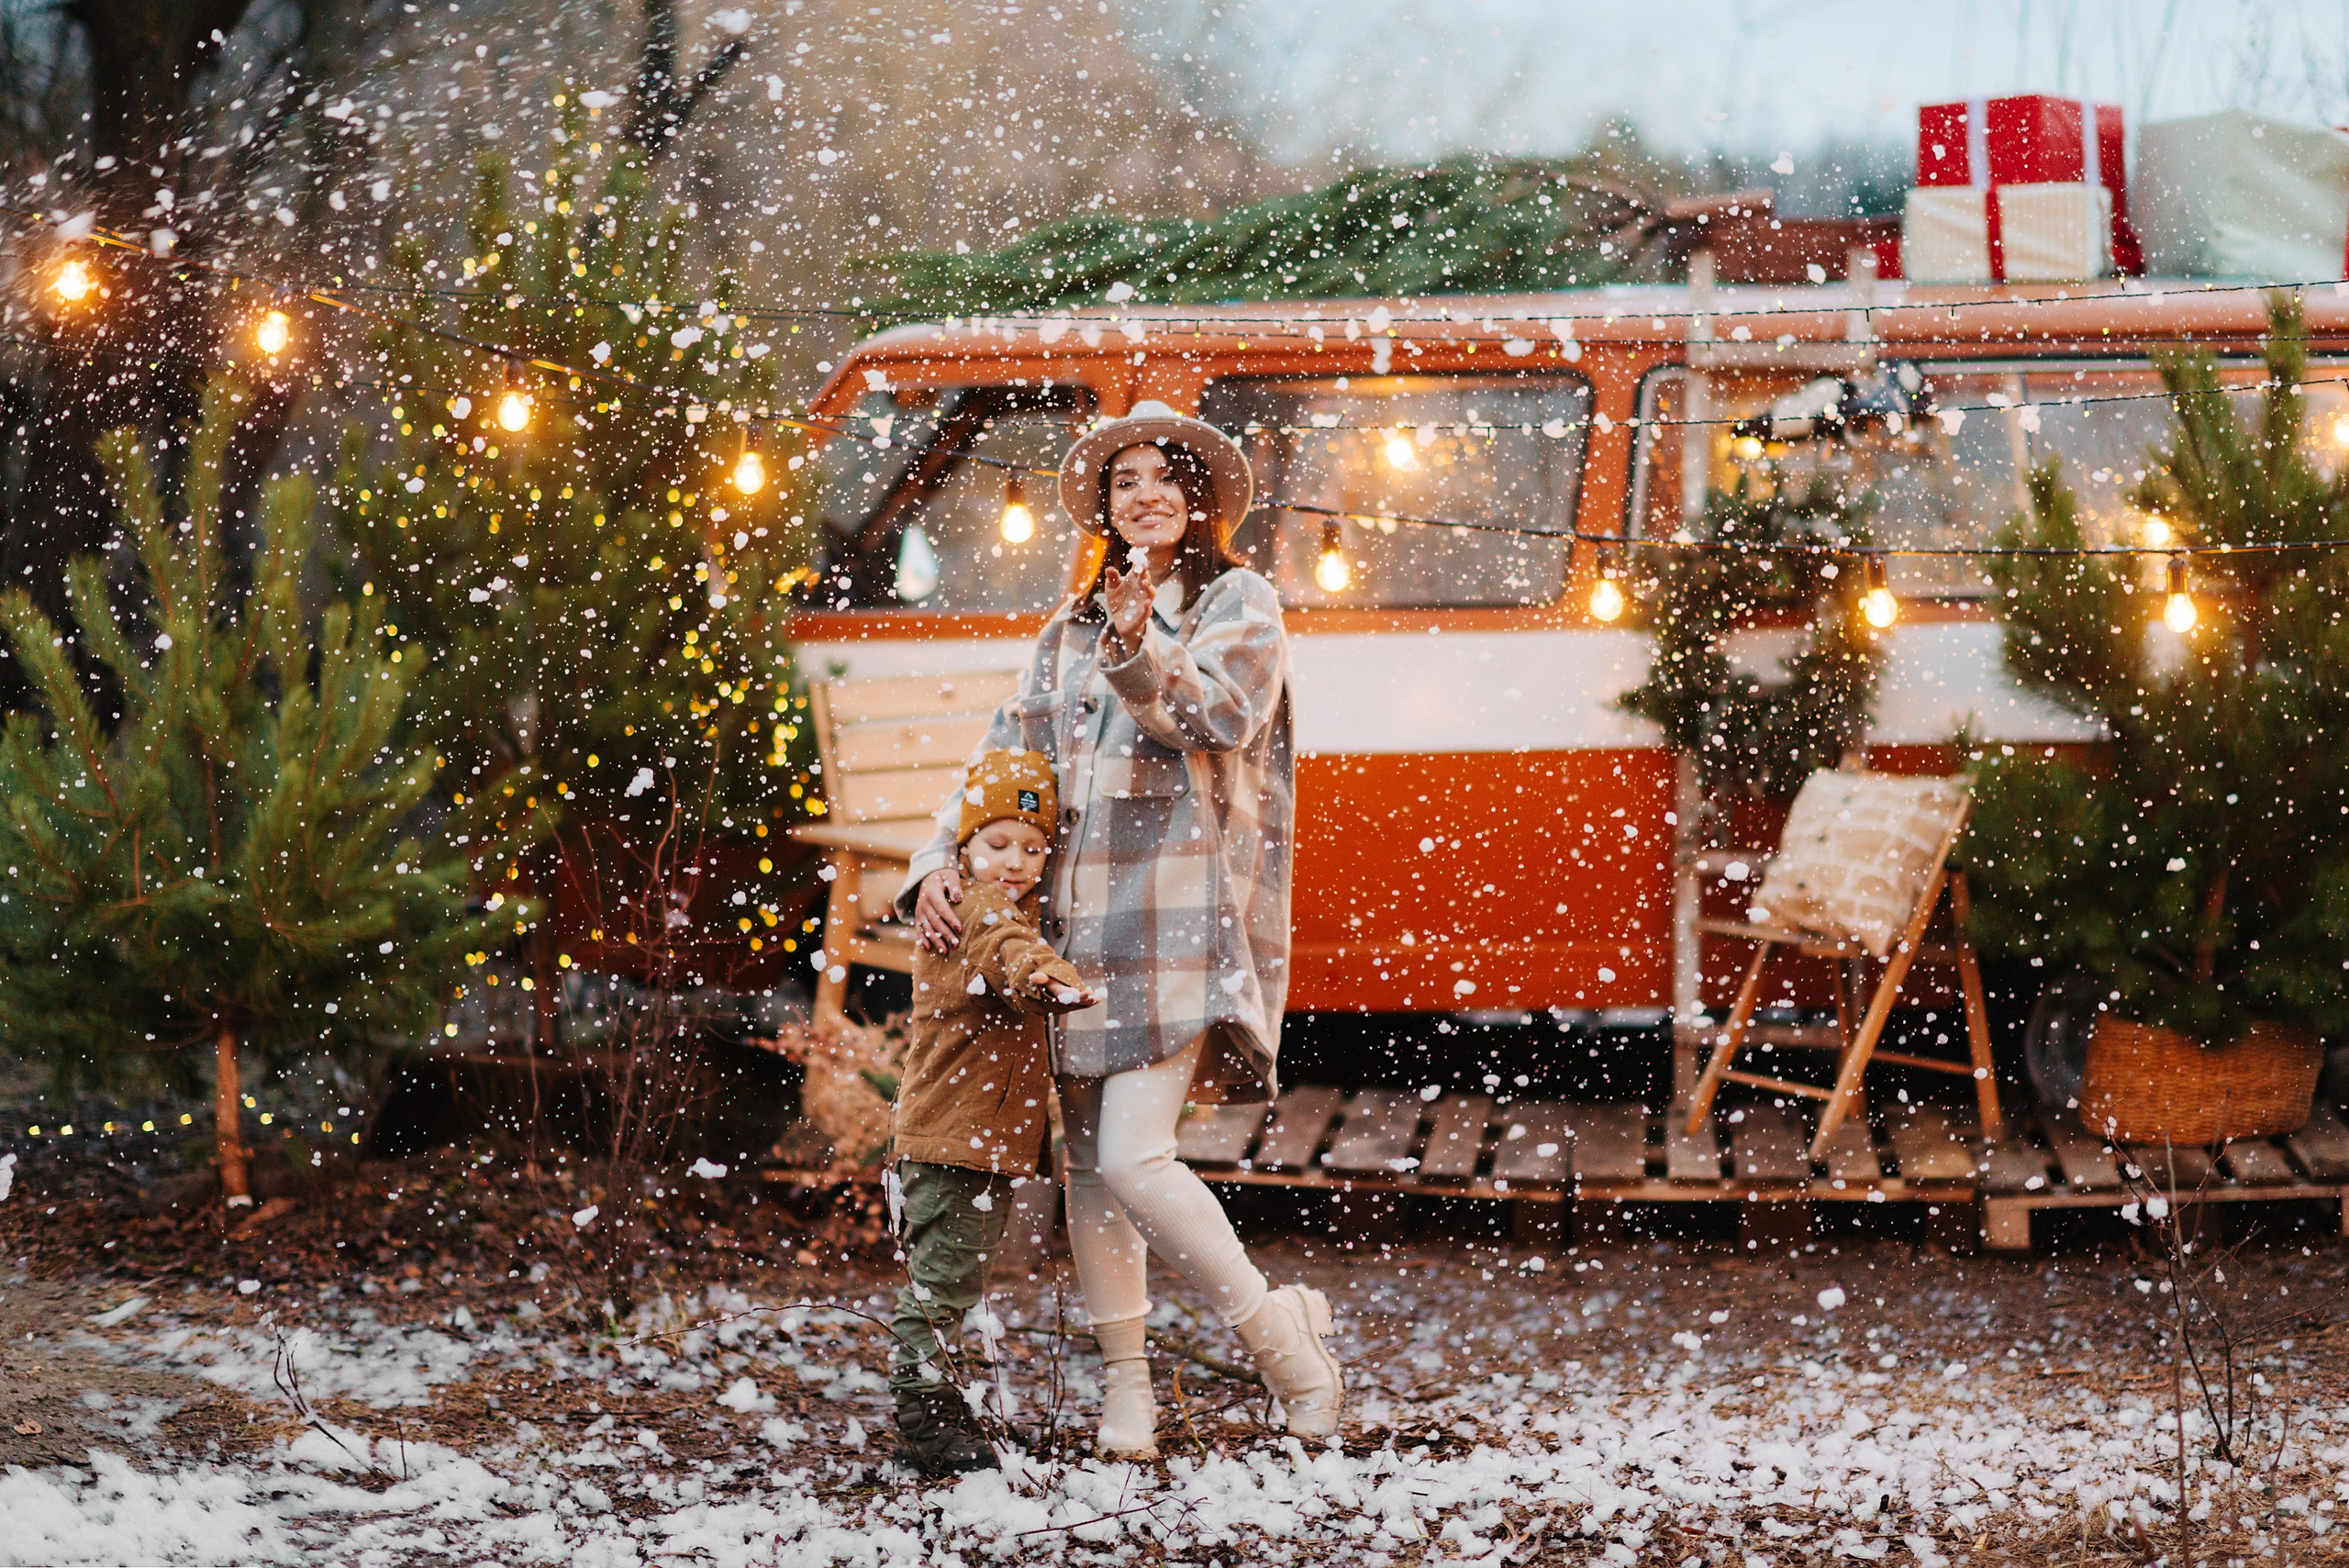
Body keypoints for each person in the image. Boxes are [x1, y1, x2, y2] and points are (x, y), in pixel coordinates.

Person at [900, 401, 1344, 1462]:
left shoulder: (1242, 602)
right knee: (1092, 1171)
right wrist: (932, 861)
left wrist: (1142, 644)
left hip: (1180, 921)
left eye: (1162, 476)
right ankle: (1127, 1394)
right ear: (1105, 507)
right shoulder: (1065, 632)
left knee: (1139, 1158)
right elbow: (997, 767)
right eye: (1123, 480)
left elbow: (1219, 719)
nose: (1142, 492)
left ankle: (1285, 1350)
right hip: (1070, 939)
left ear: (1197, 501)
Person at [885, 749, 1095, 1477]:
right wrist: (1051, 977)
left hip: (969, 1139)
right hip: (955, 1140)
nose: (1017, 860)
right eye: (998, 843)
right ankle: (921, 1413)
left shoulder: (998, 904)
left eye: (1034, 847)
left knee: (954, 1278)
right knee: (943, 1281)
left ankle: (941, 1400)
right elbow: (1009, 956)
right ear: (965, 846)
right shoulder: (977, 906)